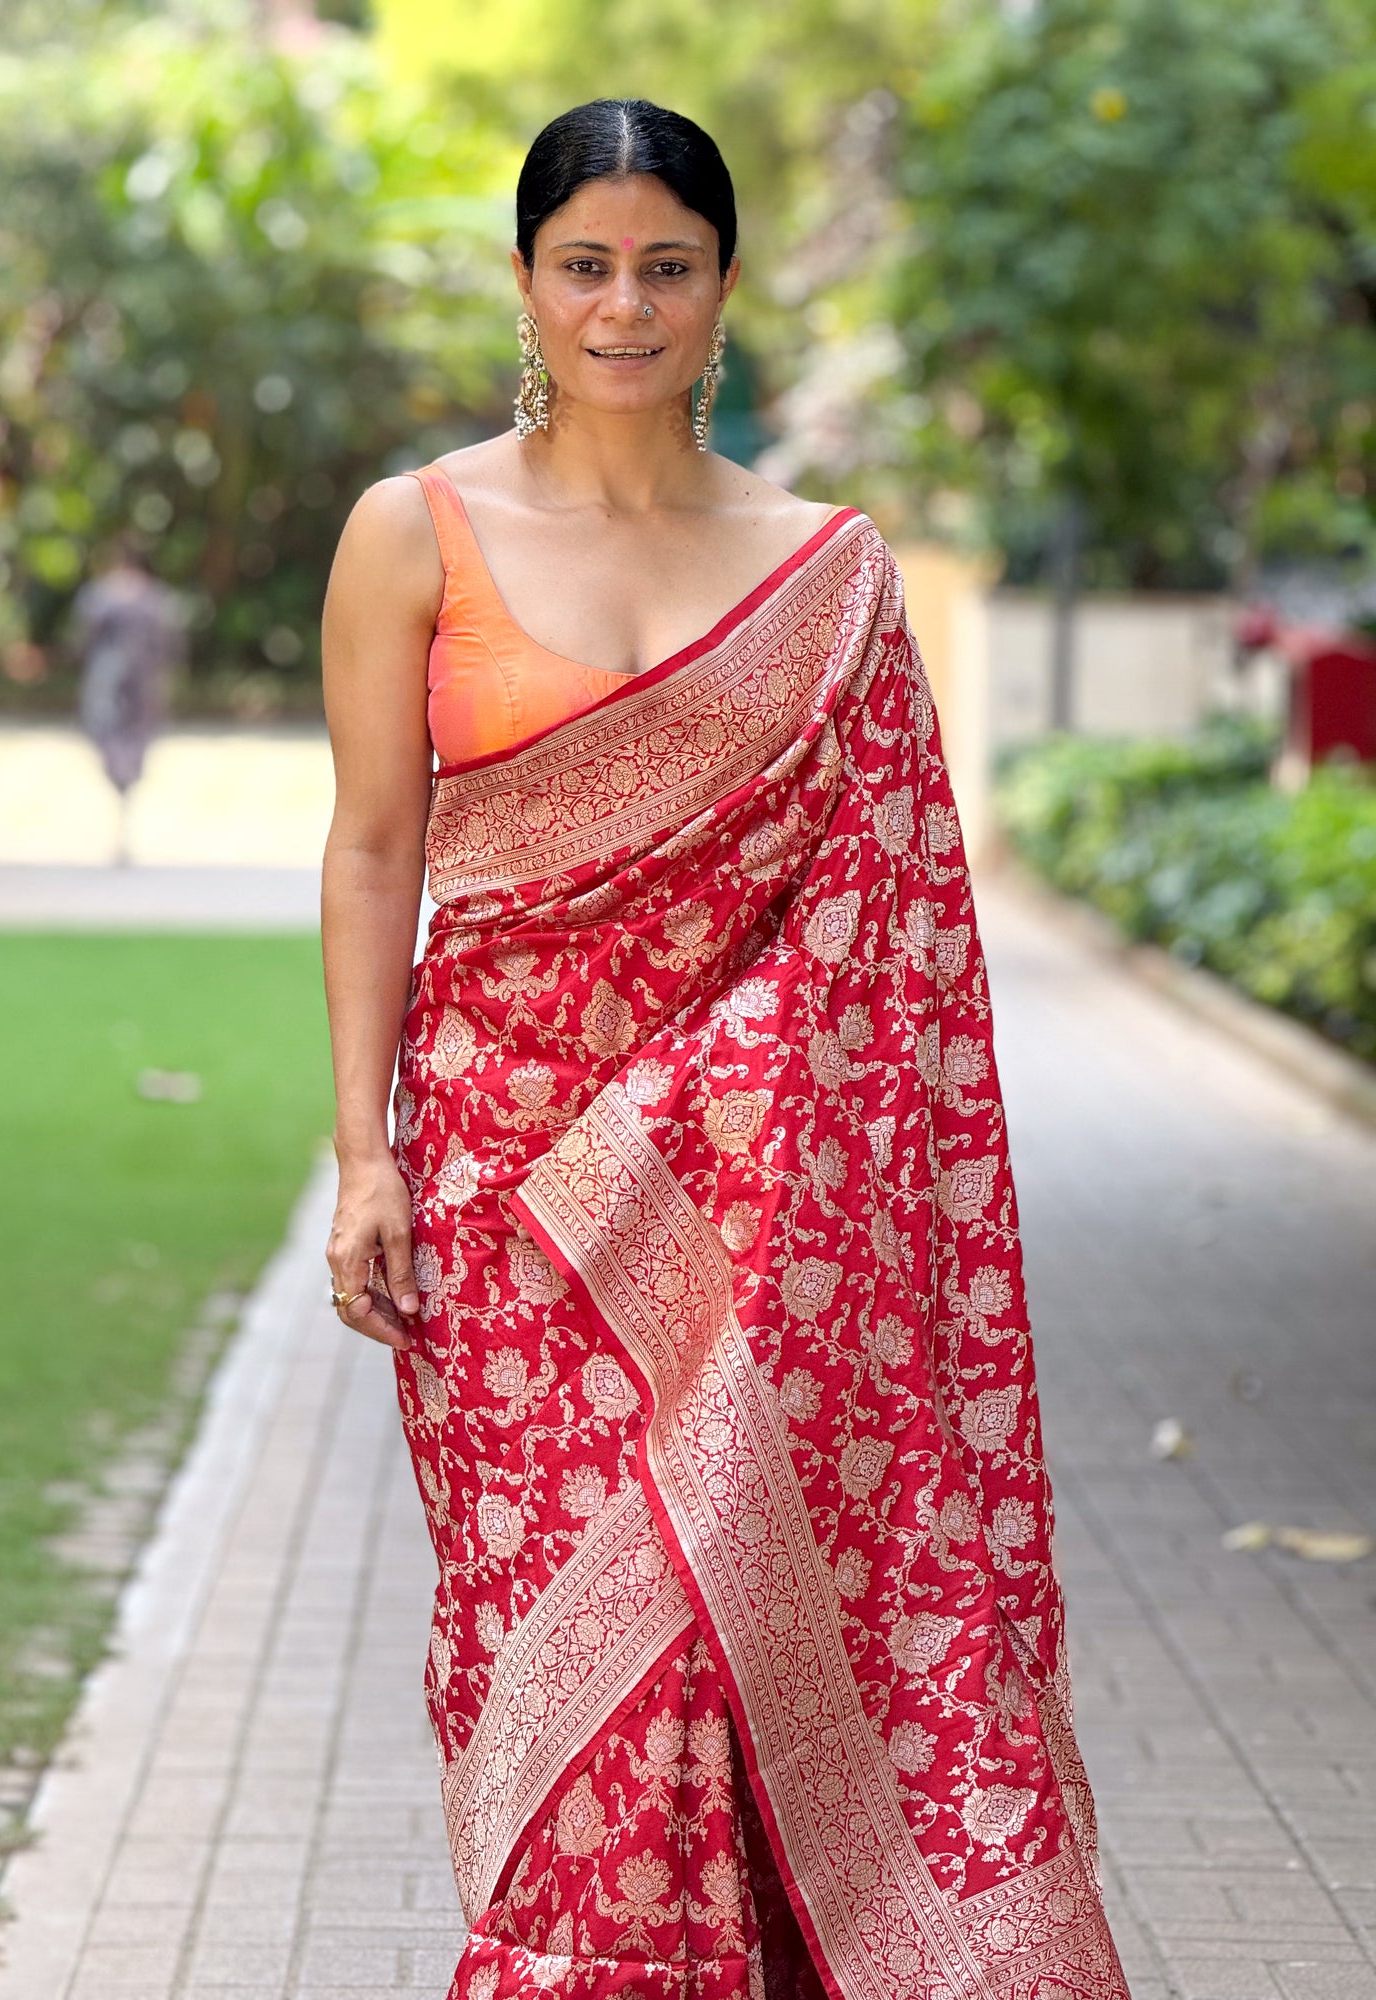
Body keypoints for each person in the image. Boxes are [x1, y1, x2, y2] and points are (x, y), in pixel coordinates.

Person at [320, 98, 1127, 2000]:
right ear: (526, 281)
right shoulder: (410, 532)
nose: (624, 308)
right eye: (586, 266)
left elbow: (891, 939)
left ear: (726, 288)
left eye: (665, 268)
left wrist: (697, 1111)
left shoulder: (831, 577)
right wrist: (365, 1153)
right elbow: (373, 848)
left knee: (725, 1632)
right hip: (499, 1207)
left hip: (765, 1229)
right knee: (576, 1690)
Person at [72, 541, 181, 862]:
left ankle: (121, 831)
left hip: (110, 686)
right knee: (130, 755)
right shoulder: (157, 600)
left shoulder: (99, 597)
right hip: (142, 689)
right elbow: (171, 648)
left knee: (114, 753)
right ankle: (122, 829)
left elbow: (82, 643)